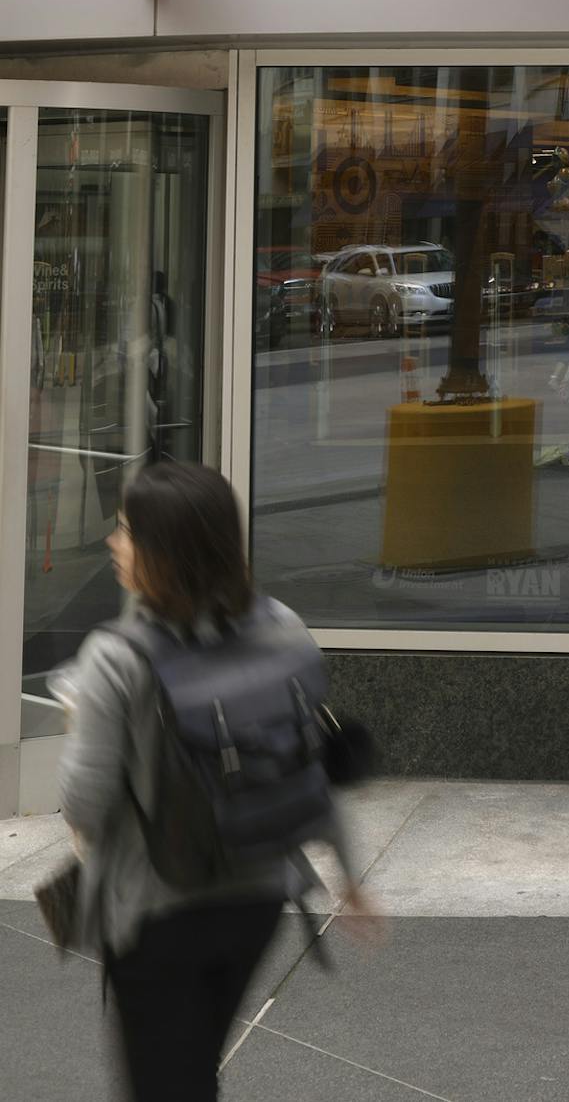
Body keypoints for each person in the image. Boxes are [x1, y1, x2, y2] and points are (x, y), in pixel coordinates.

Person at [57, 460, 379, 1101]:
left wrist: (80, 724)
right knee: (192, 1065)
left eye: (125, 531)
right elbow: (309, 763)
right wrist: (349, 876)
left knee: (166, 1083)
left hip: (159, 909)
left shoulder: (115, 659)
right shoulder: (284, 627)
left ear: (161, 552)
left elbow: (84, 807)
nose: (112, 543)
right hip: (257, 900)